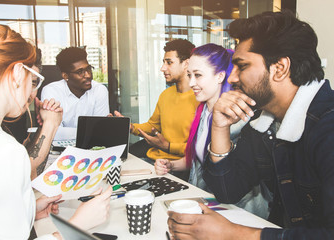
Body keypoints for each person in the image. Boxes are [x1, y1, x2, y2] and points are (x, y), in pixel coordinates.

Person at [168, 11, 334, 240]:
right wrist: (219, 127)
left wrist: (234, 233)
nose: (232, 78)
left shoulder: (328, 127)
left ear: (280, 68)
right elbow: (227, 189)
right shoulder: (265, 122)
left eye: (241, 66)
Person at [0, 14, 111, 240]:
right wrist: (78, 225)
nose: (34, 92)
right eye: (35, 79)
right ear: (18, 74)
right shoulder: (2, 150)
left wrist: (29, 208)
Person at [154, 43, 235, 190]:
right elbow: (197, 159)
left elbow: (228, 180)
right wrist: (171, 165)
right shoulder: (203, 111)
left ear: (220, 76)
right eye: (189, 75)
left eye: (198, 75)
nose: (191, 83)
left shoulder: (233, 119)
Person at [115, 39, 198, 164]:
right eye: (163, 62)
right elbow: (153, 126)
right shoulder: (166, 95)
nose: (162, 68)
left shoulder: (199, 99)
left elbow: (201, 148)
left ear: (186, 64)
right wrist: (131, 127)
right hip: (153, 159)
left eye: (169, 63)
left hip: (177, 165)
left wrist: (168, 146)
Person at [2, 48, 63, 179]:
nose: (30, 91)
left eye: (34, 83)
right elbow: (21, 175)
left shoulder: (16, 117)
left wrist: (43, 127)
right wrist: (50, 125)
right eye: (25, 81)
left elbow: (33, 174)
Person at [41, 47, 109, 140]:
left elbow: (101, 130)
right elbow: (52, 132)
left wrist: (66, 132)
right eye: (80, 72)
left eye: (88, 69)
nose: (88, 75)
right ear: (65, 76)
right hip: (58, 150)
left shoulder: (100, 90)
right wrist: (89, 132)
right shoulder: (51, 91)